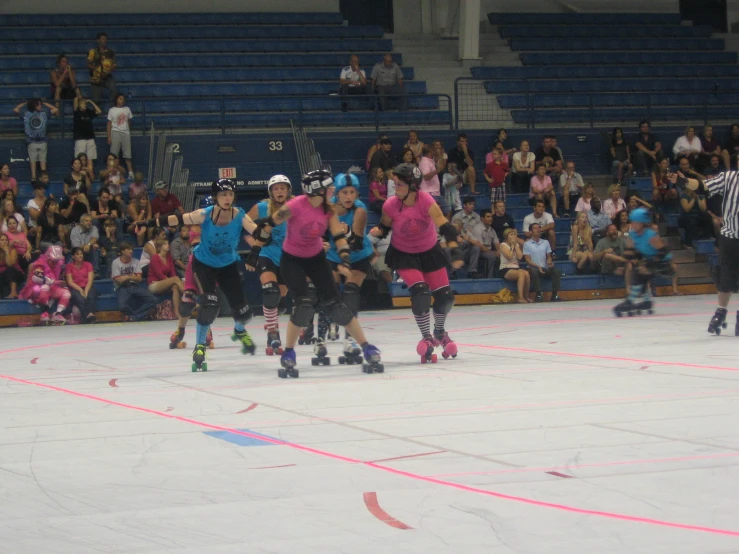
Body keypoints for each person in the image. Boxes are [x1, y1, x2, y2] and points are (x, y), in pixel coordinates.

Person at [249, 169, 381, 377]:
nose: (331, 191)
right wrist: (255, 250)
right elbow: (269, 223)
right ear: (316, 189)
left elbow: (338, 236)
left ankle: (365, 346)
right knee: (303, 305)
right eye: (328, 188)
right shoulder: (295, 205)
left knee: (337, 306)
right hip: (292, 261)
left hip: (317, 260)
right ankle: (289, 352)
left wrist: (345, 258)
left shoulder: (328, 209)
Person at [138, 179, 260, 371]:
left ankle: (238, 330)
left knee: (245, 313)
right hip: (204, 265)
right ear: (216, 197)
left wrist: (257, 249)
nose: (227, 198)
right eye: (222, 195)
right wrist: (150, 222)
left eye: (230, 195)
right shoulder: (205, 214)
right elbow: (177, 219)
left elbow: (258, 232)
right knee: (209, 304)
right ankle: (200, 346)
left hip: (227, 265)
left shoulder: (240, 215)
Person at [371, 163, 463, 363]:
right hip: (404, 254)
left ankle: (439, 332)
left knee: (445, 297)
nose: (395, 187)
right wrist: (375, 234)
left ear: (412, 185)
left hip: (429, 251)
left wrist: (455, 251)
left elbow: (445, 226)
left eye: (400, 183)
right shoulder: (390, 204)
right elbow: (384, 227)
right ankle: (426, 337)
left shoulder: (426, 200)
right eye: (394, 183)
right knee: (420, 293)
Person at [324, 173, 376, 362]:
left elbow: (356, 242)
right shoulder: (328, 209)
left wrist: (345, 259)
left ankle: (350, 339)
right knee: (332, 294)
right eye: (344, 192)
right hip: (333, 255)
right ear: (337, 193)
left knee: (351, 292)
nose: (348, 196)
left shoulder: (360, 210)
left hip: (358, 255)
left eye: (352, 192)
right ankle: (329, 326)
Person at [245, 174, 293, 355]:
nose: (279, 191)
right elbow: (244, 223)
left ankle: (271, 324)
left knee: (279, 302)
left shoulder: (295, 207)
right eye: (276, 188)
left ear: (288, 190)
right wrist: (254, 243)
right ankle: (273, 334)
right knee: (270, 291)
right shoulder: (262, 207)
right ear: (271, 192)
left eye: (283, 188)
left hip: (288, 257)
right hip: (267, 254)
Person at [613, 208, 673, 317]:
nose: (633, 225)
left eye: (636, 223)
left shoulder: (650, 236)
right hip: (649, 260)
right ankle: (647, 301)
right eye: (632, 222)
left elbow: (663, 253)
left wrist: (647, 266)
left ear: (642, 223)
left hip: (663, 263)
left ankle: (630, 300)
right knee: (639, 270)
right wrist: (622, 266)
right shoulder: (633, 234)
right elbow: (632, 254)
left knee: (640, 273)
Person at [19, 244, 70, 325]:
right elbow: (36, 279)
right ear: (48, 257)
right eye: (53, 261)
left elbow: (59, 278)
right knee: (44, 287)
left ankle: (58, 314)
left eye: (56, 261)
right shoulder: (40, 263)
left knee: (66, 292)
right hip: (35, 289)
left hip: (52, 288)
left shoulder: (59, 264)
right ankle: (44, 312)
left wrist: (61, 281)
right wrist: (54, 282)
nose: (54, 263)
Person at [65, 246, 97, 323]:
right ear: (73, 256)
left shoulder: (88, 264)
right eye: (77, 254)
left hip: (87, 286)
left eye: (81, 254)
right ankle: (89, 314)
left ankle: (87, 315)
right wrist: (80, 289)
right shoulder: (69, 266)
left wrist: (85, 290)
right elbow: (70, 282)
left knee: (90, 295)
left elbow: (90, 280)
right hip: (75, 287)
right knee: (78, 297)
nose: (80, 255)